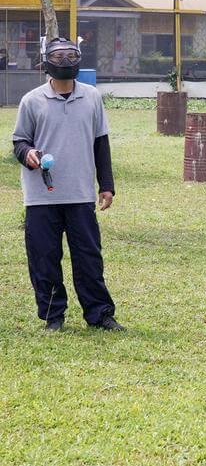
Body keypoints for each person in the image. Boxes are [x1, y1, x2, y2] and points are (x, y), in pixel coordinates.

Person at [11, 37, 123, 331]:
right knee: (44, 258)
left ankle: (99, 314)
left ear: (78, 59)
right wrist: (30, 154)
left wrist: (106, 185)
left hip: (80, 192)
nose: (64, 61)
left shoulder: (92, 97)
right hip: (40, 196)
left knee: (88, 257)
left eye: (69, 56)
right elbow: (19, 141)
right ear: (47, 61)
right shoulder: (32, 100)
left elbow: (101, 142)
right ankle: (53, 316)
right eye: (58, 57)